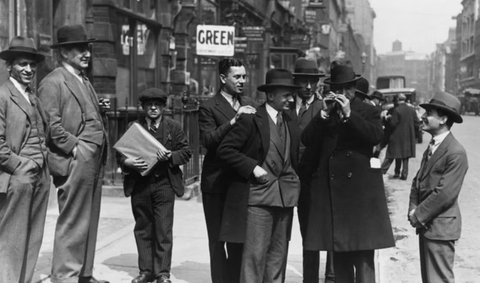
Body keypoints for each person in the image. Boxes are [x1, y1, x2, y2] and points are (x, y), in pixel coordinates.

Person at [301, 59, 395, 283]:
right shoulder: (326, 112)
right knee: (340, 259)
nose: (343, 93)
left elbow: (375, 136)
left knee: (363, 261)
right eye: (338, 89)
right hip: (335, 197)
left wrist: (348, 114)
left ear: (354, 88)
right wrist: (322, 115)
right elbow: (306, 139)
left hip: (360, 198)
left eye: (347, 89)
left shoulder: (367, 110)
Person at [38, 25, 109, 283]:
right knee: (73, 221)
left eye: (86, 48)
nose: (86, 53)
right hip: (76, 161)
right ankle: (64, 278)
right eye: (80, 49)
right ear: (64, 53)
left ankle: (84, 274)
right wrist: (76, 148)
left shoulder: (83, 79)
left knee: (89, 219)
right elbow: (51, 127)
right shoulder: (52, 82)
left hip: (94, 159)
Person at [217, 69, 301, 283]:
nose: (291, 100)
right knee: (254, 257)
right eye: (286, 95)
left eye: (292, 95)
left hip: (284, 198)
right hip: (259, 199)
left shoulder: (290, 121)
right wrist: (252, 167)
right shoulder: (252, 119)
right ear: (270, 95)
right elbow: (225, 149)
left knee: (278, 257)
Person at [116, 88, 191, 283]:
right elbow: (121, 152)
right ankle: (146, 271)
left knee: (163, 229)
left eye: (157, 104)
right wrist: (127, 163)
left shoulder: (173, 127)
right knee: (143, 227)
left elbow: (185, 152)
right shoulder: (135, 127)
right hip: (140, 184)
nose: (153, 108)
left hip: (164, 183)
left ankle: (162, 273)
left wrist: (171, 156)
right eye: (149, 105)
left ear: (163, 107)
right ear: (143, 107)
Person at [198, 58, 257, 283]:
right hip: (216, 183)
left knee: (237, 240)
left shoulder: (250, 102)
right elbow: (208, 140)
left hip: (239, 183)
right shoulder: (208, 106)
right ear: (223, 79)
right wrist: (235, 119)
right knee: (217, 241)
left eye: (244, 76)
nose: (242, 81)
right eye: (237, 77)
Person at [0, 36, 50, 283]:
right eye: (22, 64)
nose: (28, 69)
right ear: (9, 66)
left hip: (41, 175)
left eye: (32, 64)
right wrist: (21, 165)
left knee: (33, 237)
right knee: (12, 238)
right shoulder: (2, 95)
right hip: (17, 177)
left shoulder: (33, 96)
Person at [408, 91, 468, 283]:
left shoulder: (456, 152)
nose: (424, 116)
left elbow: (444, 194)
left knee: (439, 280)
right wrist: (412, 208)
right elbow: (418, 180)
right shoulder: (434, 145)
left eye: (430, 113)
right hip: (429, 225)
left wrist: (417, 215)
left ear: (443, 119)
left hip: (440, 228)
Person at [288, 58, 335, 283]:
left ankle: (322, 279)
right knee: (294, 235)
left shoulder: (323, 108)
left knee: (317, 234)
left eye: (312, 82)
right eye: (304, 81)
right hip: (288, 179)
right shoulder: (285, 107)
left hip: (315, 180)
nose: (308, 87)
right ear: (295, 81)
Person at [381, 93, 420, 180]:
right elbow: (417, 123)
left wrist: (388, 119)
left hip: (397, 136)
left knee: (391, 154)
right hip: (408, 136)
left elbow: (392, 124)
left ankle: (382, 171)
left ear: (398, 100)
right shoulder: (412, 110)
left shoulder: (397, 110)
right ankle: (404, 174)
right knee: (405, 155)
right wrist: (415, 134)